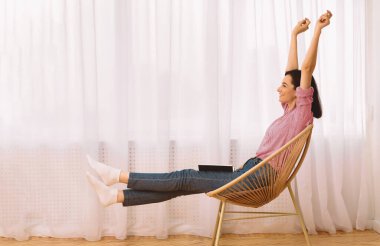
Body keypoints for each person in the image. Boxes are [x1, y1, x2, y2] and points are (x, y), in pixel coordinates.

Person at [86, 11, 332, 207]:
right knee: (182, 185)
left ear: (298, 91)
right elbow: (293, 71)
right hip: (251, 170)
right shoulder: (288, 112)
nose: (279, 88)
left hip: (260, 177)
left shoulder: (302, 113)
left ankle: (117, 175)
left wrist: (317, 31)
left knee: (186, 176)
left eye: (284, 86)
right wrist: (293, 36)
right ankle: (116, 197)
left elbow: (305, 71)